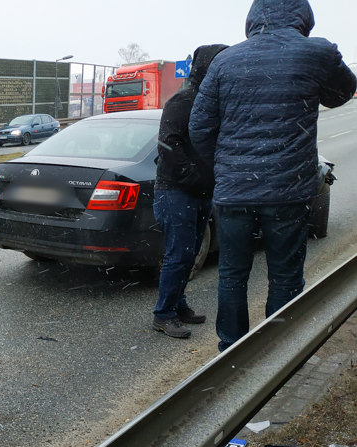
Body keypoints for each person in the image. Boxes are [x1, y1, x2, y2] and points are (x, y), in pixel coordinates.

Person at [189, 0, 356, 352]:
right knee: (285, 275)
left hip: (234, 192)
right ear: (302, 17)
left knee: (233, 274)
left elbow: (199, 127)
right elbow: (342, 93)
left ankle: (231, 349)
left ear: (252, 19)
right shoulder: (315, 52)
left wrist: (225, 169)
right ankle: (277, 352)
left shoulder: (225, 60)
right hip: (288, 192)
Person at [152, 44, 229, 339]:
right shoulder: (183, 101)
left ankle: (178, 304)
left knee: (191, 252)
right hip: (176, 192)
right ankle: (163, 314)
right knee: (179, 254)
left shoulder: (210, 100)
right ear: (208, 68)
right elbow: (169, 146)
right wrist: (196, 177)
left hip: (198, 192)